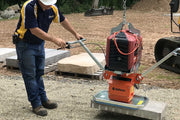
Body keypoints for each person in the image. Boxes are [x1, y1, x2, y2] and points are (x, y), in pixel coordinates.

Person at [13, 0, 83, 116]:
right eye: (46, 4)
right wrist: (55, 39)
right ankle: (36, 104)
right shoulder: (29, 7)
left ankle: (43, 99)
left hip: (39, 44)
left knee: (39, 73)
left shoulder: (52, 7)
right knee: (30, 75)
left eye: (50, 3)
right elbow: (34, 30)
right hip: (25, 44)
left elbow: (63, 20)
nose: (48, 6)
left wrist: (75, 33)